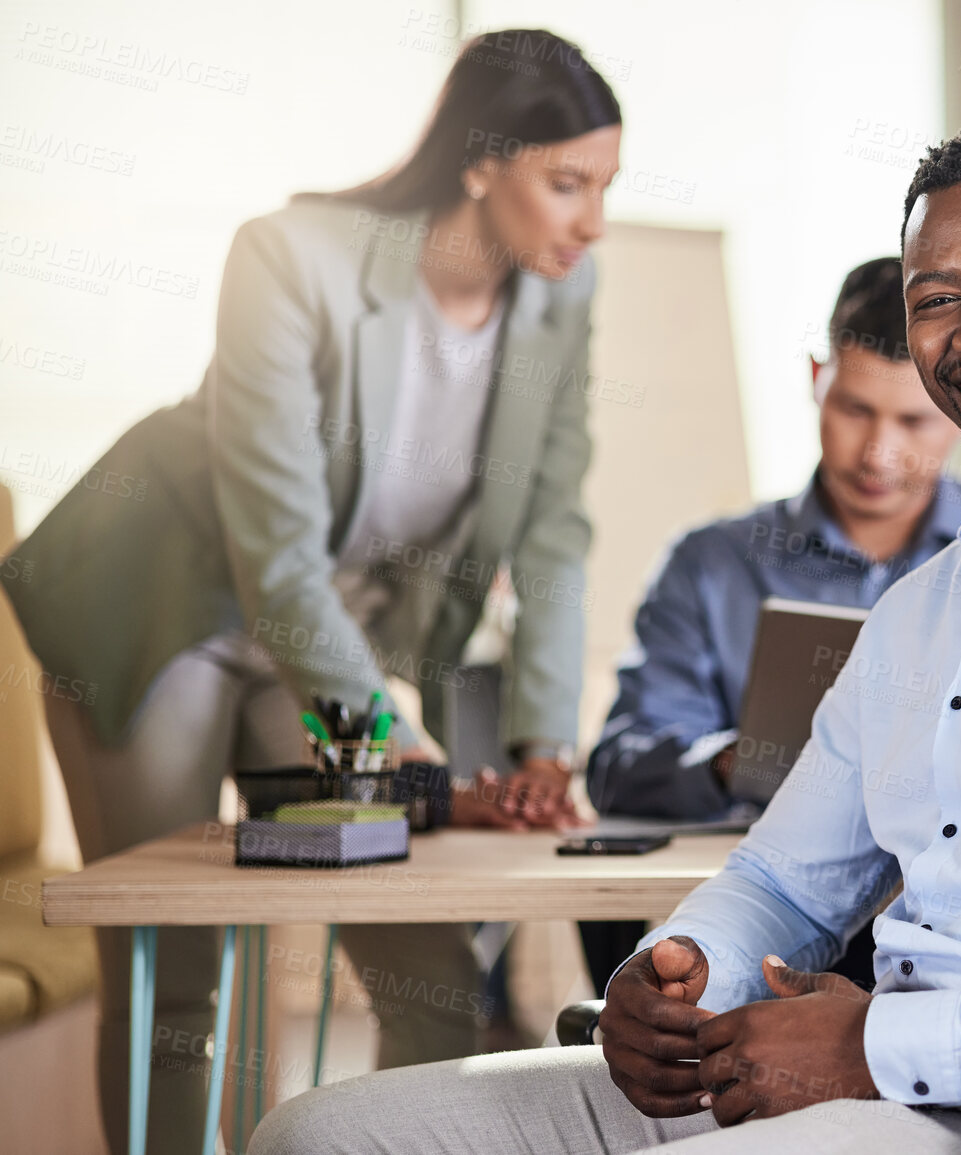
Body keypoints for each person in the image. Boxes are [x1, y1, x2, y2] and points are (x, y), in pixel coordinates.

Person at [250, 114, 961, 1155]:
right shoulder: (924, 610)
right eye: (938, 298)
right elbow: (784, 885)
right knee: (324, 1137)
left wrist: (879, 1048)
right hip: (881, 1084)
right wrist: (680, 970)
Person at [0, 29, 619, 1153]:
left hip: (323, 634)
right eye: (566, 183)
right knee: (178, 969)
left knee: (427, 964)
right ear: (481, 162)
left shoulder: (558, 299)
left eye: (604, 187)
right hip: (171, 607)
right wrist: (407, 756)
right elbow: (275, 560)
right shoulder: (291, 258)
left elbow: (555, 533)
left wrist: (542, 749)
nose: (592, 222)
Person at [578, 256, 961, 986]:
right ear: (815, 378)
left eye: (914, 419)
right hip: (760, 925)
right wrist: (742, 759)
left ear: (957, 408)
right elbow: (619, 765)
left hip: (953, 942)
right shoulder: (710, 565)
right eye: (854, 408)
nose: (878, 453)